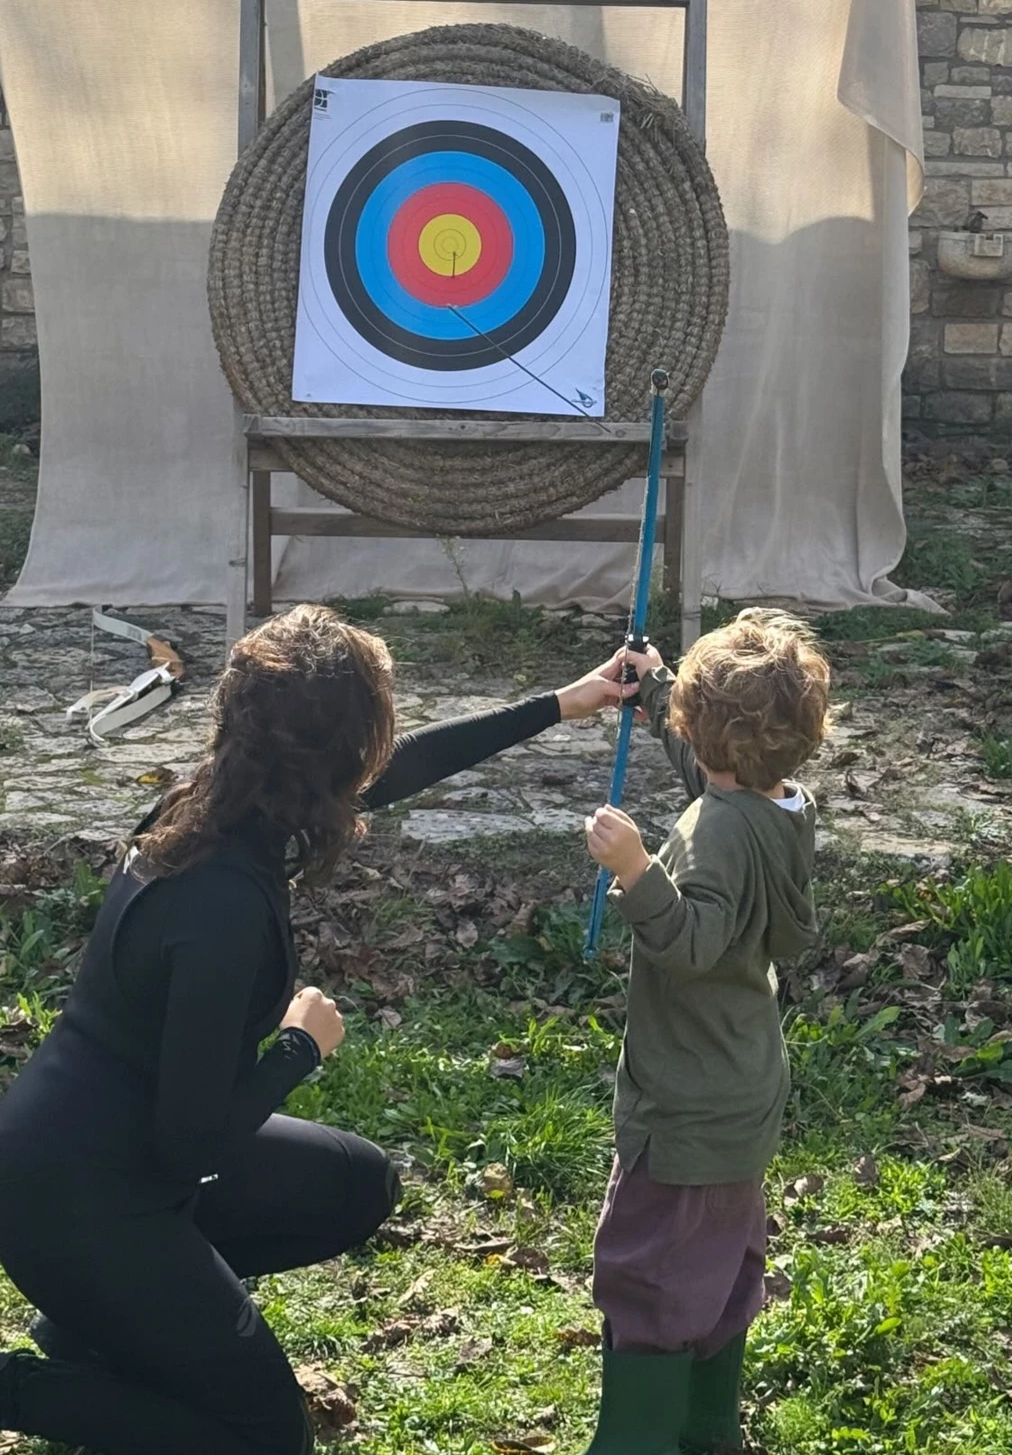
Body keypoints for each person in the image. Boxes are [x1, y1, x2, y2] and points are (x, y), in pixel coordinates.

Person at [0, 602, 631, 1455]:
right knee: (265, 1440)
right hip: (82, 1201)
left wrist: (565, 701)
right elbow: (189, 1147)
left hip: (101, 1151)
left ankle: (104, 1324)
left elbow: (387, 774)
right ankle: (29, 1382)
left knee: (351, 1184)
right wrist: (297, 1049)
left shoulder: (220, 797)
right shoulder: (219, 907)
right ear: (340, 747)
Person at [582, 609, 826, 1455]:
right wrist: (655, 692)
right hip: (742, 1087)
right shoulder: (779, 806)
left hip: (684, 1105)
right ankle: (706, 1431)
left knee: (648, 1278)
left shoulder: (712, 834)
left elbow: (691, 943)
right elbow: (716, 780)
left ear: (706, 732)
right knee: (721, 1269)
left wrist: (637, 872)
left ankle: (637, 1441)